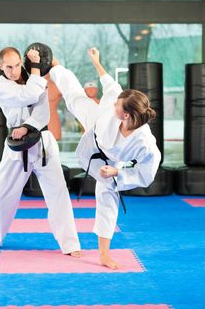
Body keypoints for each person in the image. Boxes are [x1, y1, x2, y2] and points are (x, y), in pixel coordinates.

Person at [49, 47, 161, 269]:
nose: (113, 104)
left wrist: (119, 171)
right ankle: (54, 66)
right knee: (74, 98)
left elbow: (147, 173)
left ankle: (104, 255)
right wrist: (96, 62)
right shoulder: (111, 109)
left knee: (108, 205)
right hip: (95, 125)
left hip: (110, 166)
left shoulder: (144, 143)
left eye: (117, 105)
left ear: (126, 114)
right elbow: (110, 84)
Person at [0, 46, 81, 257]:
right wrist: (34, 69)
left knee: (58, 193)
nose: (13, 70)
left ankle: (71, 245)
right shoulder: (1, 86)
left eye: (16, 65)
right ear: (1, 66)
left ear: (21, 63)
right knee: (1, 192)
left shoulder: (36, 77)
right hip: (16, 147)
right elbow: (27, 95)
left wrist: (29, 126)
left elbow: (42, 111)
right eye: (8, 67)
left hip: (43, 143)